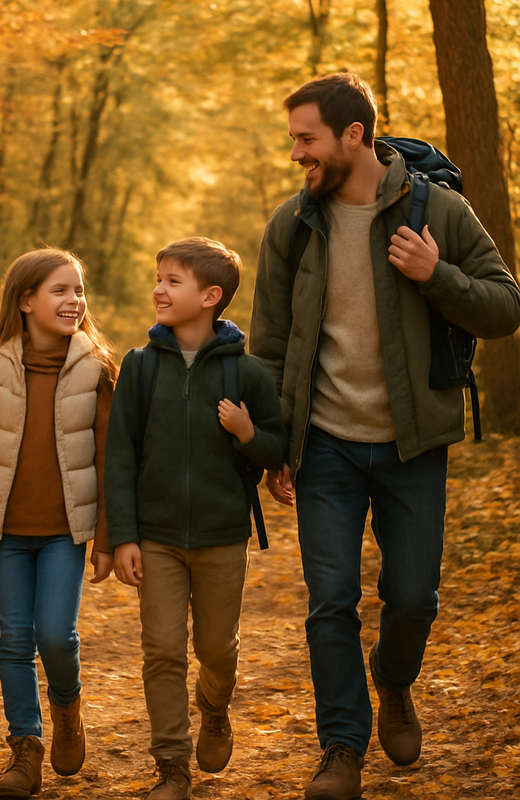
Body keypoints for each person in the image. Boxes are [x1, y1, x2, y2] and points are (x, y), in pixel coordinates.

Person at [250, 73, 520, 800]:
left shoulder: (440, 210)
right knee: (329, 600)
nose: (297, 154)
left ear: (354, 136)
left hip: (414, 443)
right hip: (327, 447)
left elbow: (505, 308)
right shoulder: (291, 225)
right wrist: (275, 448)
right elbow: (268, 348)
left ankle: (394, 680)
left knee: (414, 598)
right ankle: (341, 749)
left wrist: (438, 276)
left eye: (306, 139)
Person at [106, 237, 288, 800]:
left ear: (211, 296)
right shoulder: (138, 368)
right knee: (161, 650)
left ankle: (214, 707)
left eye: (173, 280)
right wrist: (124, 537)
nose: (159, 289)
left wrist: (247, 433)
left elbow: (279, 448)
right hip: (155, 538)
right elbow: (119, 456)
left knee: (216, 650)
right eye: (158, 278)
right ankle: (172, 766)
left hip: (221, 538)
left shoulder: (247, 374)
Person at [0, 247, 116, 799]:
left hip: (66, 531)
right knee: (14, 641)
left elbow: (112, 458)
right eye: (60, 291)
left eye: (78, 291)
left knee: (54, 635)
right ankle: (26, 748)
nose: (75, 301)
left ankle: (66, 705)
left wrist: (108, 539)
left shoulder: (97, 367)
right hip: (8, 532)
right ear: (25, 301)